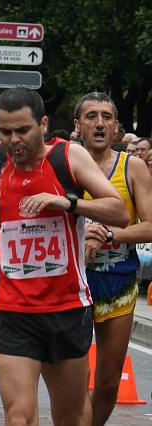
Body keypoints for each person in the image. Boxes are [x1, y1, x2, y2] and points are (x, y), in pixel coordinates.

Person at [0, 88, 128, 425]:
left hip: (66, 308)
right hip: (11, 309)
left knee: (71, 417)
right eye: (5, 132)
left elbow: (118, 210)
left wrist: (69, 202)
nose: (13, 140)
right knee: (18, 416)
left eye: (22, 130)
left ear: (43, 124)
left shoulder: (69, 158)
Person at [74, 92, 152, 426]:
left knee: (107, 384)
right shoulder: (63, 166)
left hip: (118, 281)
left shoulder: (132, 167)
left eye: (107, 116)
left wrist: (109, 234)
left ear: (117, 127)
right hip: (72, 283)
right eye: (91, 116)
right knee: (74, 380)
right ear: (78, 126)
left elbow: (150, 226)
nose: (100, 123)